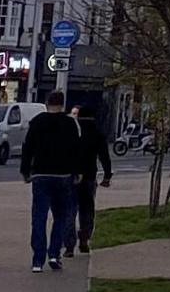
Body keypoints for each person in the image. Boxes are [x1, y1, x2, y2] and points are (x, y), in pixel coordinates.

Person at [18, 90, 82, 272]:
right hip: (63, 174)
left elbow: (27, 148)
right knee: (61, 216)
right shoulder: (70, 124)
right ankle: (54, 253)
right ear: (62, 104)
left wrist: (25, 170)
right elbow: (76, 149)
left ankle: (37, 260)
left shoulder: (37, 122)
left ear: (46, 103)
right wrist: (76, 171)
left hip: (41, 173)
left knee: (39, 217)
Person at [69, 105, 112, 256]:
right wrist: (107, 175)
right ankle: (84, 237)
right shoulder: (97, 133)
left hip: (72, 176)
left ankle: (68, 244)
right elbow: (104, 156)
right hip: (89, 176)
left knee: (70, 210)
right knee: (87, 209)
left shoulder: (73, 131)